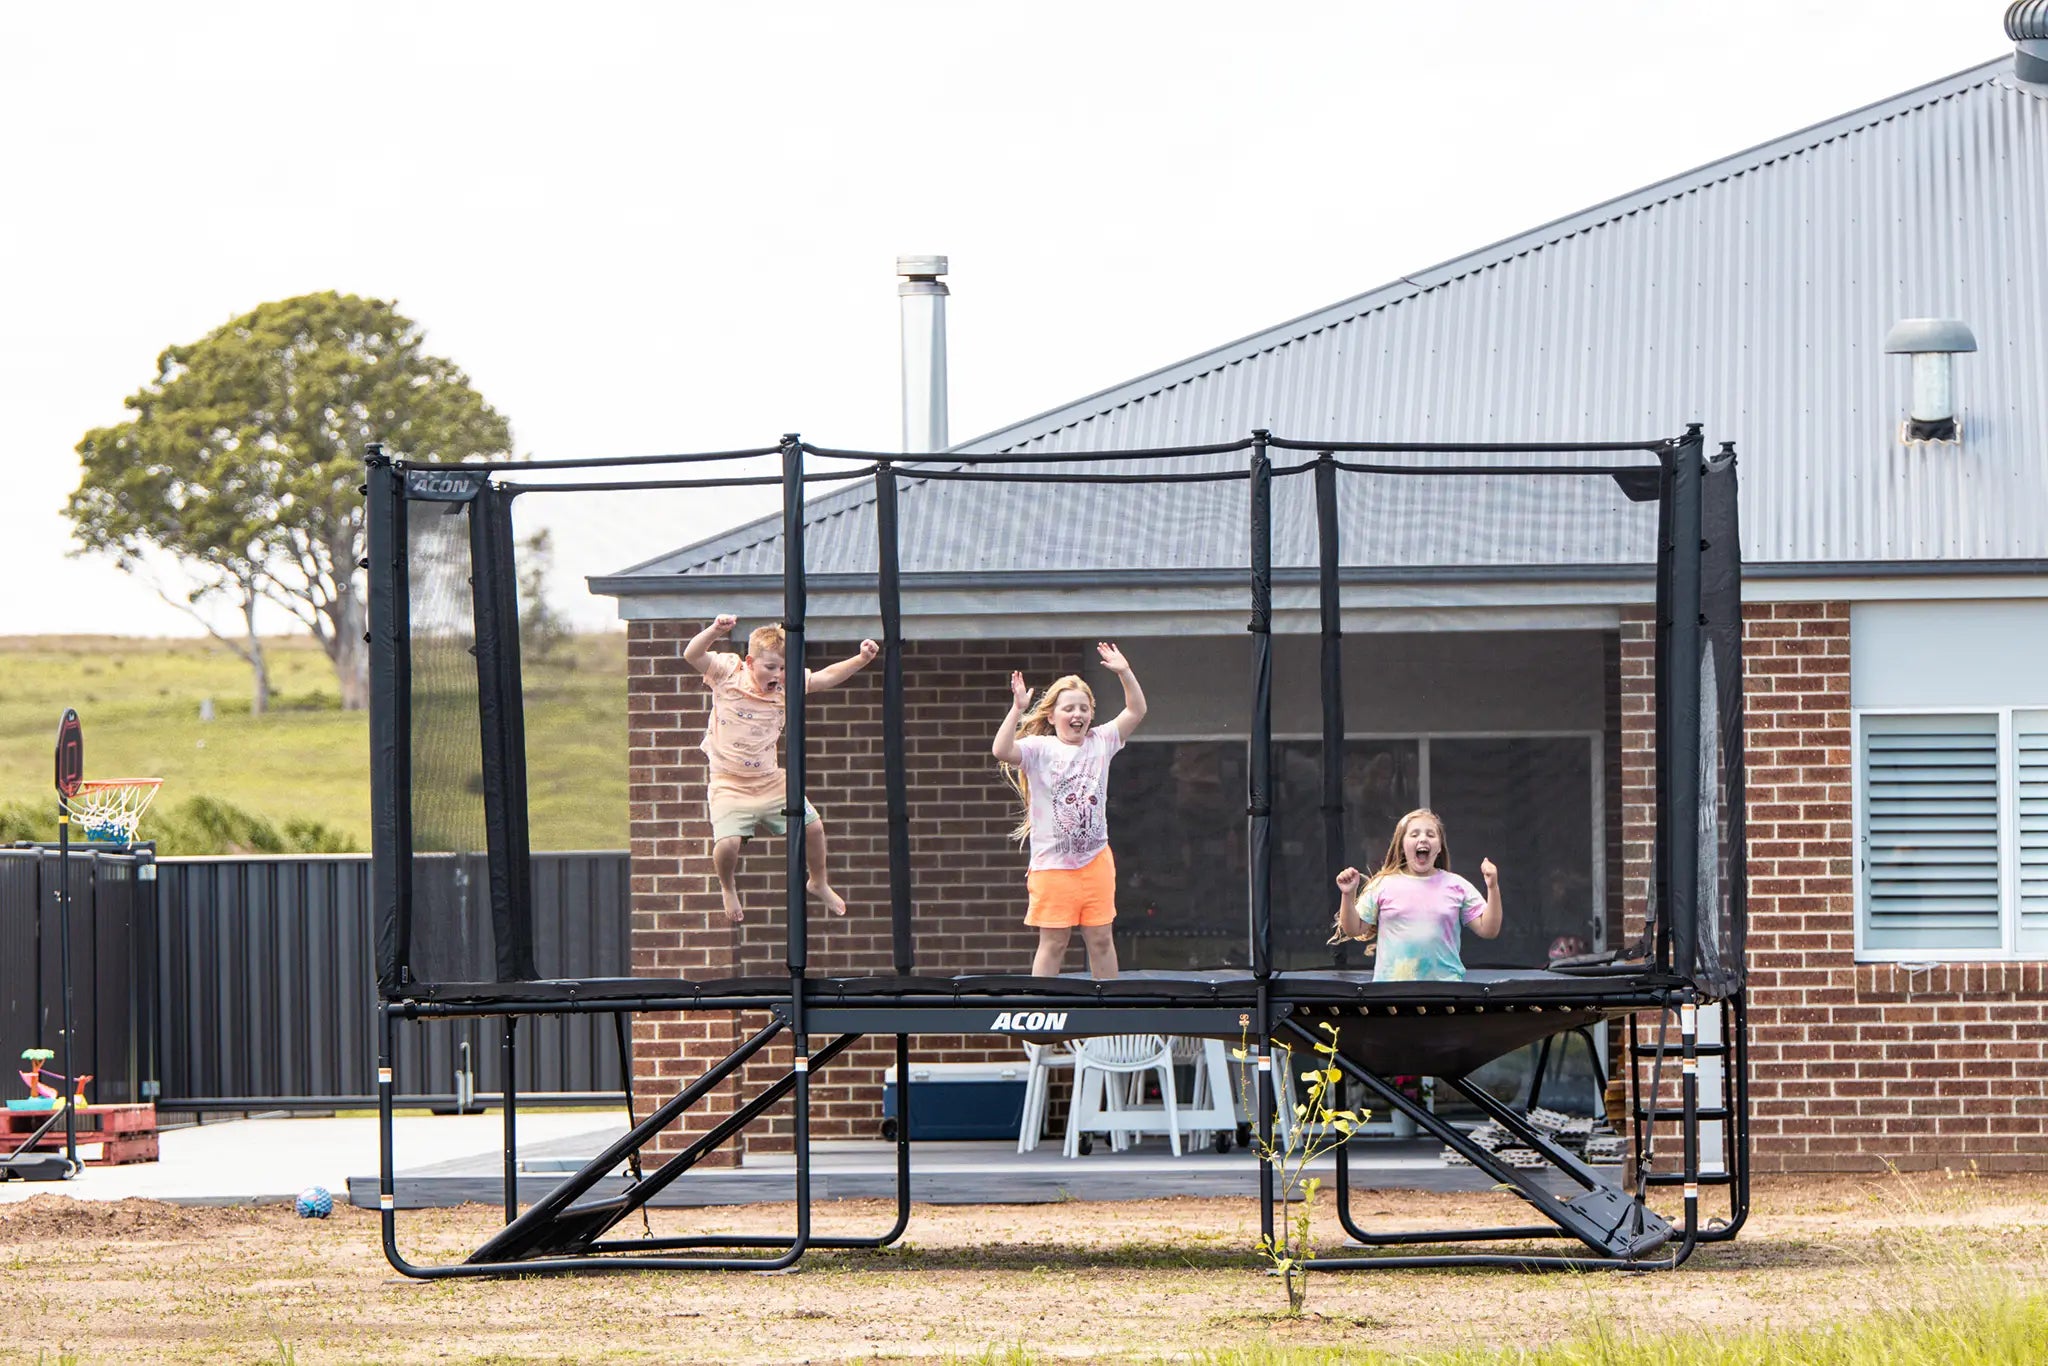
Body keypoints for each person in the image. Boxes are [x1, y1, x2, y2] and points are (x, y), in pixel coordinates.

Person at [684, 614, 878, 923]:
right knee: (727, 845)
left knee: (814, 827)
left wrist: (861, 659)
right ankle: (727, 885)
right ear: (750, 662)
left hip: (770, 780)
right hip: (729, 782)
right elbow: (692, 654)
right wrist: (715, 630)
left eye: (784, 668)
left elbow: (826, 677)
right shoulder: (728, 671)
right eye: (771, 668)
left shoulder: (786, 687)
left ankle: (818, 881)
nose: (778, 675)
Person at [992, 643, 1148, 979]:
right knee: (1054, 942)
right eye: (1068, 709)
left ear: (1091, 713)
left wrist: (1124, 672)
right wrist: (1017, 708)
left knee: (1101, 939)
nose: (1076, 715)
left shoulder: (1101, 742)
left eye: (1083, 708)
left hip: (1094, 861)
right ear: (1052, 715)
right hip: (1053, 865)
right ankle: (1041, 1012)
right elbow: (1001, 750)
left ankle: (1109, 1010)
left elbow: (1135, 711)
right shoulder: (1040, 749)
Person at [1328, 808, 1502, 982]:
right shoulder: (1383, 884)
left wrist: (1492, 887)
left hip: (1445, 990)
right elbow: (1353, 929)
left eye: (1430, 834)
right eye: (1414, 834)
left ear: (1440, 846)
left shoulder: (1457, 885)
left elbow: (1489, 929)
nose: (1423, 839)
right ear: (1402, 846)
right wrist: (1348, 894)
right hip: (1392, 993)